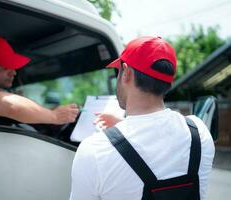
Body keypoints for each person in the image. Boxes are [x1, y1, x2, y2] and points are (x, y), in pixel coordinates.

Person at [69, 36, 215, 200]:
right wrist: (121, 128)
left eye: (118, 71)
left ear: (127, 73)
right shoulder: (199, 132)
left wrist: (117, 134)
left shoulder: (94, 150)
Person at [0, 35, 79, 125]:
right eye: (5, 67)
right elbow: (12, 107)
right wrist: (54, 116)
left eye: (13, 67)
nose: (14, 72)